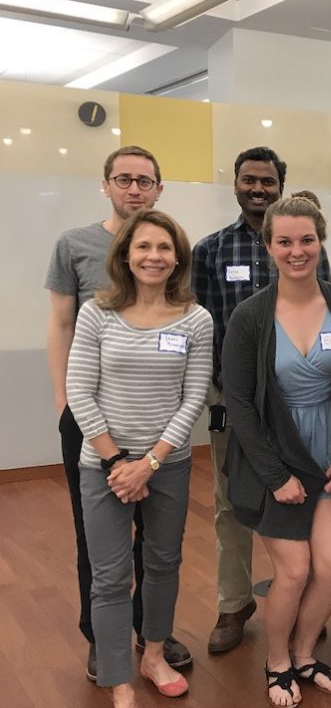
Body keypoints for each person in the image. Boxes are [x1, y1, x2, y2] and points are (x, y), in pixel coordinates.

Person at [45, 145, 192, 682]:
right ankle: (101, 639)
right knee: (97, 539)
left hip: (159, 435)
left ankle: (150, 633)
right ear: (106, 184)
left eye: (144, 180)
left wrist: (153, 457)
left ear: (158, 188)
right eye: (123, 179)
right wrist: (67, 404)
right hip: (90, 422)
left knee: (157, 545)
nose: (134, 188)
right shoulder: (75, 245)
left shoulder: (173, 253)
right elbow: (61, 323)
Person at [67, 210, 213, 707]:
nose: (154, 257)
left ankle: (153, 655)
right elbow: (79, 392)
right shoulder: (96, 312)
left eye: (165, 248)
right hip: (104, 466)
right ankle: (117, 677)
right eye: (144, 247)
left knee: (163, 562)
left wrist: (149, 463)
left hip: (166, 463)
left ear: (178, 258)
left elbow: (192, 399)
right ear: (126, 255)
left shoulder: (196, 318)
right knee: (109, 575)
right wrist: (117, 464)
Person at [192, 146, 331, 654]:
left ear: (280, 186)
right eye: (248, 180)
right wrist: (220, 392)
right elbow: (201, 326)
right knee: (234, 504)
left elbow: (326, 314)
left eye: (267, 182)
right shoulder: (210, 251)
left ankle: (292, 598)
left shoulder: (306, 244)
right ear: (235, 184)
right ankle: (234, 604)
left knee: (301, 499)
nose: (257, 188)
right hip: (235, 401)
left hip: (300, 403)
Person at [222, 196, 331, 707]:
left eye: (306, 240)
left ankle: (305, 654)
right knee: (295, 570)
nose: (297, 251)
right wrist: (276, 475)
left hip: (328, 454)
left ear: (320, 241)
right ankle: (276, 660)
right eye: (285, 241)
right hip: (273, 456)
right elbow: (239, 403)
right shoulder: (250, 316)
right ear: (269, 246)